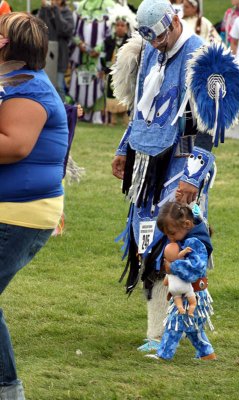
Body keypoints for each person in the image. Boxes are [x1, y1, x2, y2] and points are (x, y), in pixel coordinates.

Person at [111, 0, 217, 352]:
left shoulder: (201, 55)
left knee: (174, 242)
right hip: (148, 160)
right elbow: (142, 108)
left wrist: (194, 172)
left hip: (184, 159)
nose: (156, 44)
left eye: (159, 37)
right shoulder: (146, 52)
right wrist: (124, 148)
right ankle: (156, 331)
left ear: (173, 23)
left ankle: (181, 324)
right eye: (149, 39)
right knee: (147, 241)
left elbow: (210, 124)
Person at [0, 12, 69, 399]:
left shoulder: (30, 92)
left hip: (20, 213)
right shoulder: (13, 81)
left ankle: (9, 390)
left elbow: (14, 147)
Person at [145, 201, 216, 360]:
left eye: (172, 233)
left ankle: (164, 355)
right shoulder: (188, 236)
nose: (170, 239)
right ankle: (207, 353)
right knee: (193, 327)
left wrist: (173, 267)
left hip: (192, 292)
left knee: (174, 323)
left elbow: (195, 269)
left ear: (187, 224)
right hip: (190, 292)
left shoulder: (194, 242)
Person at [69, 0, 115, 123]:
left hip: (99, 57)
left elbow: (110, 32)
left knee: (97, 83)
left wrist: (99, 49)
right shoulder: (80, 7)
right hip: (81, 56)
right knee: (81, 83)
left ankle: (96, 115)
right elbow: (73, 31)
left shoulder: (108, 6)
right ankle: (82, 113)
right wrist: (80, 44)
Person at [102, 5, 136, 125]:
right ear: (114, 27)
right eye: (118, 25)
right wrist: (104, 68)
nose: (120, 28)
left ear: (127, 28)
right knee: (111, 92)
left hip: (124, 72)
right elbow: (104, 56)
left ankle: (126, 120)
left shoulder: (130, 41)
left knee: (125, 92)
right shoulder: (108, 41)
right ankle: (112, 120)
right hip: (111, 71)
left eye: (122, 25)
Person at [38, 0, 74, 101]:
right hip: (45, 55)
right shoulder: (46, 10)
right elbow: (39, 27)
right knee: (45, 85)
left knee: (58, 86)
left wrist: (56, 11)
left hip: (60, 56)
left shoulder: (67, 13)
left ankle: (63, 112)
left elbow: (63, 30)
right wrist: (44, 9)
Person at [163, 243, 196, 316]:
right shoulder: (182, 265)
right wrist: (185, 251)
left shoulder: (169, 271)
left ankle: (180, 308)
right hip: (185, 287)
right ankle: (191, 311)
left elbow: (165, 283)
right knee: (193, 302)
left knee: (177, 298)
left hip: (173, 289)